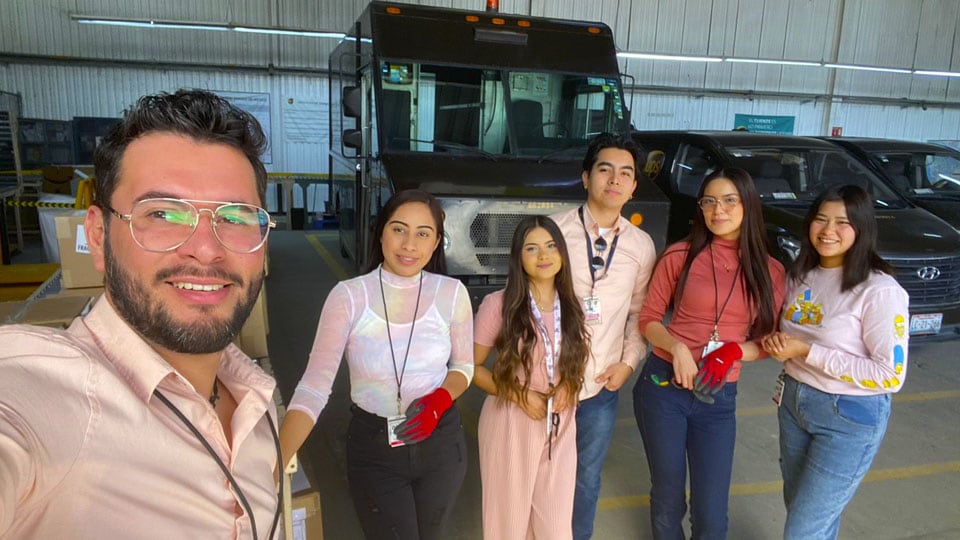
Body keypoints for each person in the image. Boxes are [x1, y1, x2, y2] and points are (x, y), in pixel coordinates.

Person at [0, 90, 280, 539]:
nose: (207, 250)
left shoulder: (254, 402)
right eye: (163, 213)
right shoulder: (43, 396)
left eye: (234, 216)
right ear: (97, 235)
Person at [279, 189, 474, 539]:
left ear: (436, 243)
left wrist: (440, 400)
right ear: (381, 231)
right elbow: (314, 386)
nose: (409, 244)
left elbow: (464, 367)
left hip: (441, 440)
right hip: (374, 449)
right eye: (399, 229)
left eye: (423, 234)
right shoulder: (349, 296)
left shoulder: (452, 293)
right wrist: (275, 460)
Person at [633, 167, 786, 539]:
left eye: (730, 200)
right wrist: (676, 346)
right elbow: (650, 319)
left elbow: (769, 342)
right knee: (668, 498)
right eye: (709, 201)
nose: (719, 210)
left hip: (718, 397)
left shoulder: (771, 271)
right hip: (663, 385)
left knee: (712, 509)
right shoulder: (679, 256)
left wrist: (732, 351)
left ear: (748, 204)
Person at [761, 185, 909, 540]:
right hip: (794, 402)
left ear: (862, 229)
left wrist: (806, 352)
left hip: (849, 416)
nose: (828, 231)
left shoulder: (880, 290)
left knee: (802, 529)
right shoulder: (801, 274)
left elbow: (890, 376)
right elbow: (794, 335)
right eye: (821, 219)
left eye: (842, 222)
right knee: (803, 510)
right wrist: (778, 342)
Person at [551, 132, 658, 540]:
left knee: (586, 480)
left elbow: (639, 313)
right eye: (605, 169)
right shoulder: (554, 233)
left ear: (633, 187)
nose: (614, 179)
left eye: (625, 173)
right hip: (549, 382)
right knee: (540, 472)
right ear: (586, 177)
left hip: (600, 387)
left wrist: (627, 364)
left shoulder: (641, 246)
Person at [473, 215, 590, 539]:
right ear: (518, 258)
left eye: (551, 246)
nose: (543, 256)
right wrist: (519, 395)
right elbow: (468, 367)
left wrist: (569, 384)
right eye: (532, 248)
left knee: (555, 527)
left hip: (560, 421)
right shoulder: (499, 304)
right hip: (512, 419)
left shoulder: (573, 305)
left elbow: (572, 360)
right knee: (508, 526)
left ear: (562, 253)